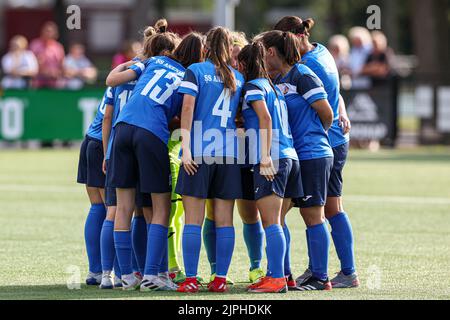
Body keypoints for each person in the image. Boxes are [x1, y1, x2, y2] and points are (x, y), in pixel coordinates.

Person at [106, 31, 204, 291]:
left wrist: (133, 62)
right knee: (162, 208)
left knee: (124, 207)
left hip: (123, 128)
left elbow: (111, 79)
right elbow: (183, 115)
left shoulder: (151, 62)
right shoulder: (189, 75)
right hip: (151, 134)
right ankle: (152, 275)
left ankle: (126, 275)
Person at [274, 16, 359, 289]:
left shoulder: (306, 65)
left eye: (281, 41)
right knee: (330, 207)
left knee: (319, 210)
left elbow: (322, 103)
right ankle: (337, 270)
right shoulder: (321, 51)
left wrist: (320, 130)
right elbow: (335, 94)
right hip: (333, 140)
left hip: (324, 144)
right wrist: (342, 112)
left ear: (295, 37)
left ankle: (326, 273)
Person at [261, 30, 335, 291]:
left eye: (262, 51)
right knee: (277, 216)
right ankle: (284, 274)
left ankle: (320, 277)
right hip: (294, 157)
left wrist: (313, 136)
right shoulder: (279, 79)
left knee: (313, 215)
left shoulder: (302, 74)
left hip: (313, 154)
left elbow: (327, 114)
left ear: (271, 52)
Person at [175, 27, 244, 293]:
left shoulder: (195, 70)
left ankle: (191, 279)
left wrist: (187, 149)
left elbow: (188, 108)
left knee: (194, 220)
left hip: (200, 153)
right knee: (225, 221)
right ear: (229, 49)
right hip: (228, 154)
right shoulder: (236, 76)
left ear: (206, 47)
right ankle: (220, 279)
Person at [98, 23, 163, 290]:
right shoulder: (155, 69)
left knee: (115, 211)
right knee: (148, 211)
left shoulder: (132, 67)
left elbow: (107, 115)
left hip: (119, 142)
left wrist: (107, 152)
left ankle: (111, 273)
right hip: (147, 142)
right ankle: (150, 271)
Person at [237, 42, 302, 293]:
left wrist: (264, 156)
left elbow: (264, 118)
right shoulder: (274, 88)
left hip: (272, 158)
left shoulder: (254, 86)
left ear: (243, 64)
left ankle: (276, 278)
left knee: (271, 222)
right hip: (289, 156)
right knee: (279, 222)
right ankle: (284, 275)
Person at [203, 30, 265, 285]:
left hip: (247, 150)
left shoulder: (253, 81)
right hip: (220, 150)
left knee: (250, 213)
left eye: (241, 57)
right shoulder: (218, 78)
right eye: (233, 56)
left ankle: (256, 267)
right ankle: (215, 269)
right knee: (213, 214)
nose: (237, 62)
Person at [76, 86, 114, 286]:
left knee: (97, 207)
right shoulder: (139, 75)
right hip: (104, 145)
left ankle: (95, 271)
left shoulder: (121, 73)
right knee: (113, 210)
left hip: (90, 140)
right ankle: (110, 271)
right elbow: (109, 118)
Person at [30, 21, 65, 88]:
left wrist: (56, 73)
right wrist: (43, 71)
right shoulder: (35, 45)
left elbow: (62, 64)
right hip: (38, 79)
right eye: (46, 31)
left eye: (51, 31)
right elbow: (31, 62)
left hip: (54, 80)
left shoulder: (58, 47)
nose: (48, 33)